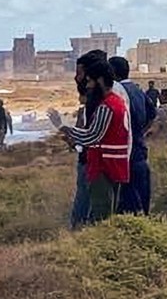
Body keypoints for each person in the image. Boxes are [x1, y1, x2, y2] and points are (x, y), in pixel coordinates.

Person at [54, 50, 131, 227]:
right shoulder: (117, 102)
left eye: (89, 81)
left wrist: (65, 129)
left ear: (100, 81)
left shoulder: (108, 105)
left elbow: (93, 136)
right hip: (115, 164)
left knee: (101, 215)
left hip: (105, 165)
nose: (87, 85)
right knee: (107, 211)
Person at [111, 57, 152, 216]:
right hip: (140, 150)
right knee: (142, 198)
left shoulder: (118, 92)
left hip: (124, 154)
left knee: (127, 201)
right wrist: (140, 132)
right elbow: (151, 114)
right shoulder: (137, 90)